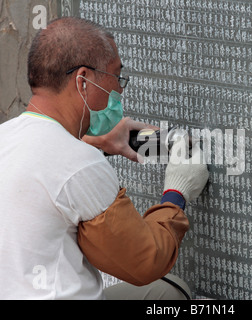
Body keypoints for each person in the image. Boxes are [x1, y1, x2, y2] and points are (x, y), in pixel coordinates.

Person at [0, 17, 209, 300]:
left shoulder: (7, 135)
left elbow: (46, 158)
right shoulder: (78, 162)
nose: (119, 91)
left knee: (163, 290)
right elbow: (144, 261)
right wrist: (176, 193)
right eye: (115, 78)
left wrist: (99, 142)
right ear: (83, 81)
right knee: (170, 293)